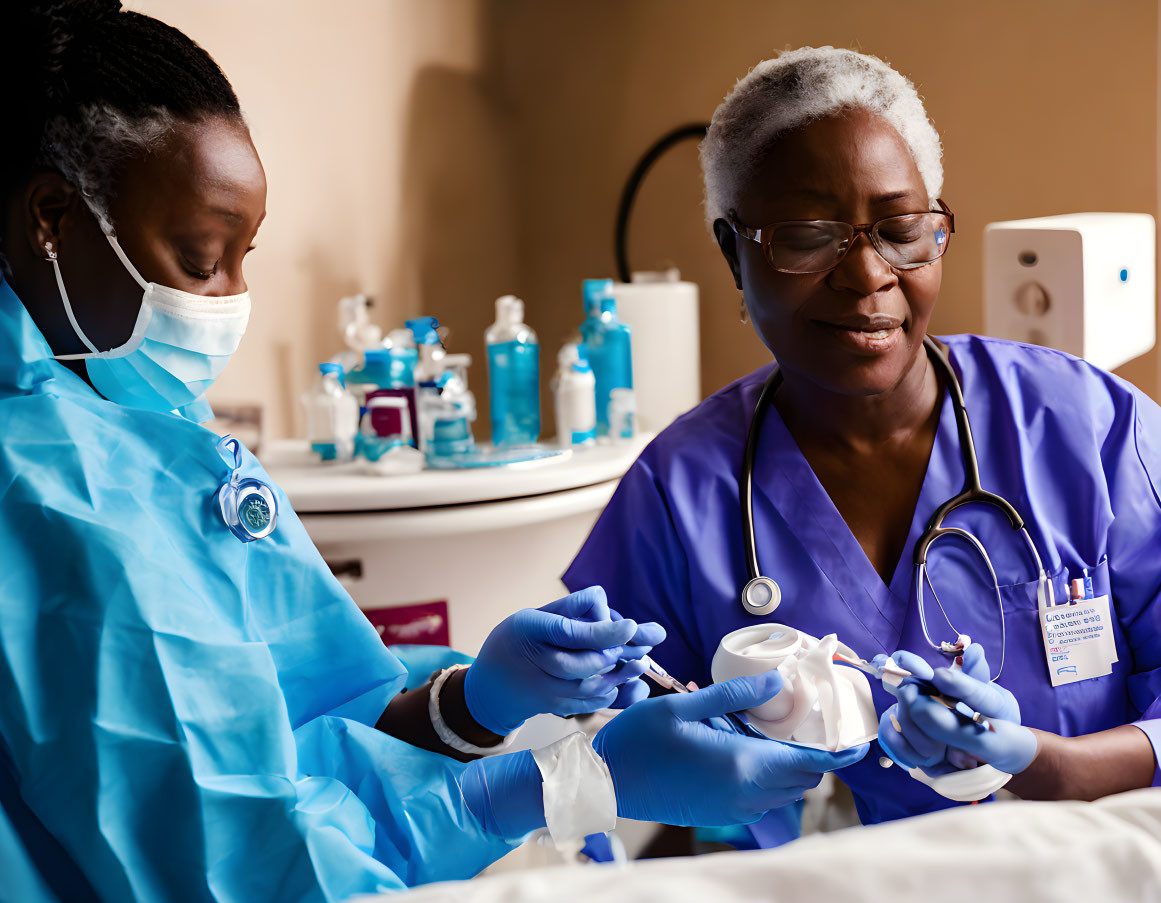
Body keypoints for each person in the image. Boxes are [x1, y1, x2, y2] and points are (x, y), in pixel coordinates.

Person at [0, 6, 865, 901]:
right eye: (200, 258)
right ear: (52, 218)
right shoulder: (50, 492)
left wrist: (472, 700)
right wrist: (572, 782)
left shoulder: (132, 413)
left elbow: (304, 730)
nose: (231, 299)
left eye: (242, 257)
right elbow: (251, 865)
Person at [565, 45, 1161, 847]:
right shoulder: (681, 491)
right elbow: (600, 749)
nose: (867, 275)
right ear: (732, 253)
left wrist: (1044, 764)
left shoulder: (1085, 428)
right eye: (809, 237)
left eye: (900, 230)